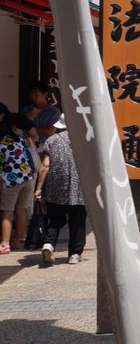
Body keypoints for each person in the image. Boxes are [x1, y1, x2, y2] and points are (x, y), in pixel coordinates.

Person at [34, 114, 87, 266]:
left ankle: (48, 245)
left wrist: (39, 188)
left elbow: (45, 166)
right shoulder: (84, 141)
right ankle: (75, 254)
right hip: (79, 190)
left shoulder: (51, 140)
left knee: (55, 219)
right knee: (77, 222)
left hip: (55, 188)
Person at [0, 106, 36, 255]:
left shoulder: (2, 144)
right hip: (27, 178)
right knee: (21, 211)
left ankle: (4, 244)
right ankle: (17, 240)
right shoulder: (19, 140)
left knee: (7, 211)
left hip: (11, 181)